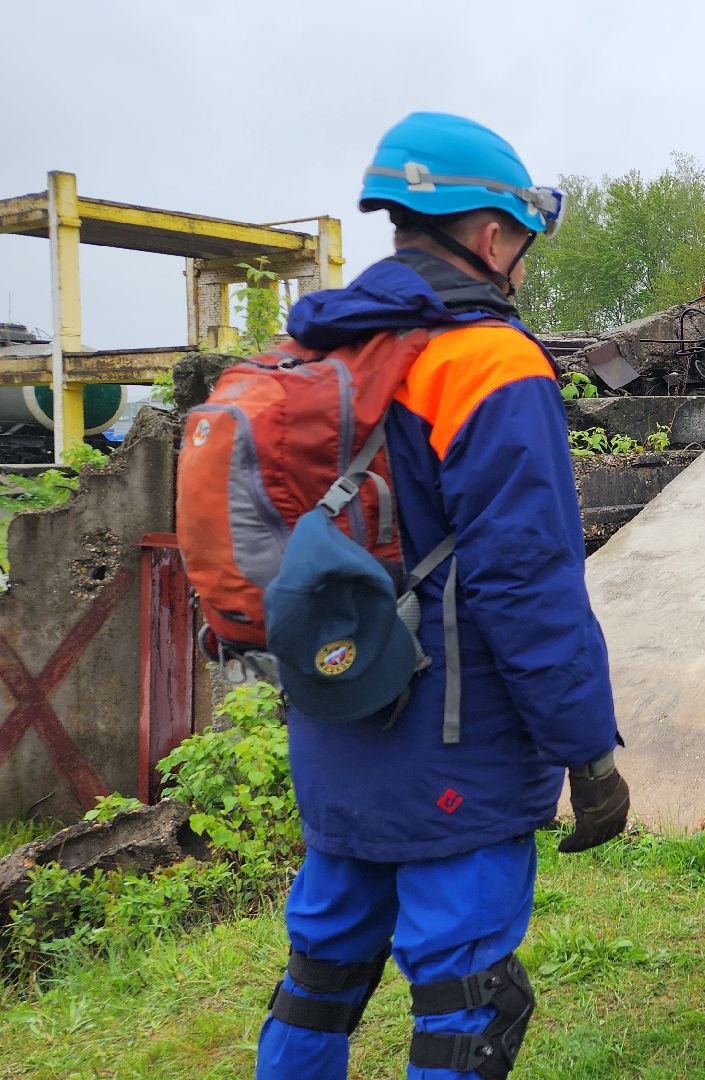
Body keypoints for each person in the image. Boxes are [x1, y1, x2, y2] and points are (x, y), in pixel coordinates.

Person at [253, 112, 630, 1080]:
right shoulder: (488, 364)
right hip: (455, 754)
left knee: (319, 977)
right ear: (492, 237)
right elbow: (530, 585)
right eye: (522, 247)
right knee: (465, 1002)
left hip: (337, 723)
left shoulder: (321, 350)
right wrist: (586, 752)